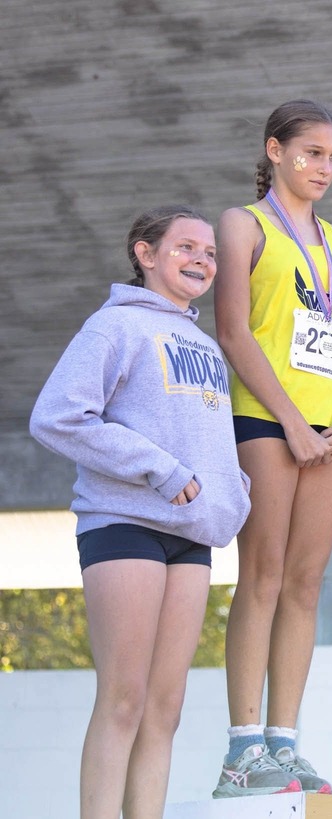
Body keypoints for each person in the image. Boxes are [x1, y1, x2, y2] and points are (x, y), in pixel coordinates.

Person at [29, 205, 251, 819]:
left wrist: (234, 494)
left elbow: (213, 446)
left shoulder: (205, 345)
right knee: (123, 700)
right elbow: (57, 416)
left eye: (210, 252)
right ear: (145, 254)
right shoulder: (115, 327)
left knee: (166, 707)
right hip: (124, 522)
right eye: (185, 247)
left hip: (191, 538)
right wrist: (160, 468)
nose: (203, 260)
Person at [212, 99, 332, 797]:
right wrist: (291, 423)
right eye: (311, 152)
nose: (324, 167)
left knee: (309, 583)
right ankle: (242, 749)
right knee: (265, 575)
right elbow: (234, 334)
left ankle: (284, 742)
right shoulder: (241, 223)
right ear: (274, 150)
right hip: (267, 420)